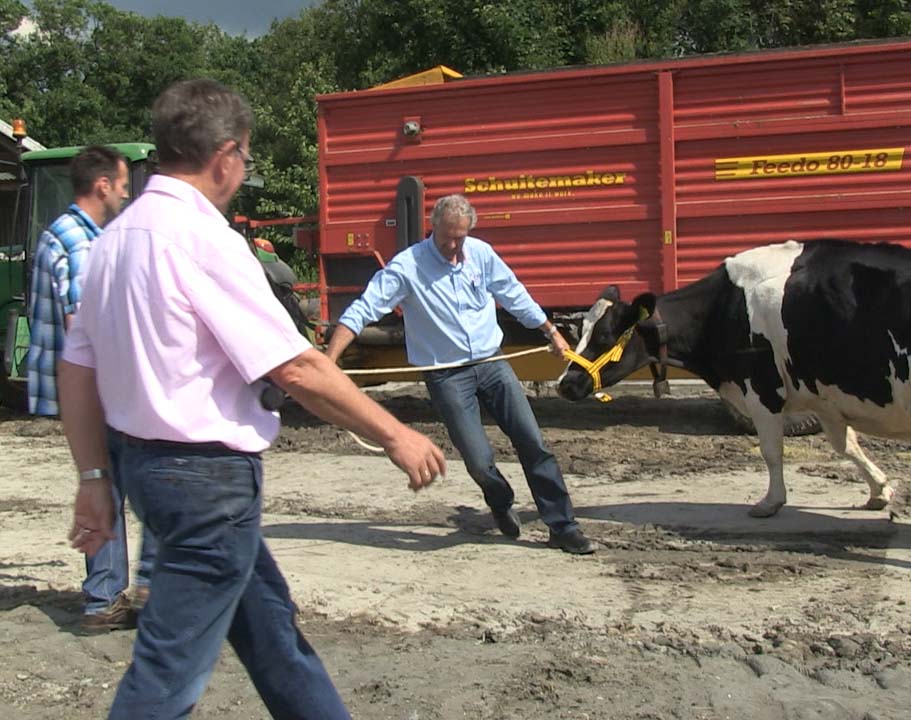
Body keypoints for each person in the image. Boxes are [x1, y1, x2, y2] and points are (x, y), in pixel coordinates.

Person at [60, 78, 446, 719]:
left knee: (273, 638)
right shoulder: (203, 240)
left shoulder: (112, 244)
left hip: (147, 470)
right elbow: (296, 367)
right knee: (165, 676)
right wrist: (395, 434)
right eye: (246, 158)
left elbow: (75, 371)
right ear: (227, 155)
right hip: (206, 481)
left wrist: (95, 476)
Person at [325, 193, 594, 555]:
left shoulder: (481, 254)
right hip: (447, 375)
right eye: (447, 237)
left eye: (460, 237)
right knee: (479, 461)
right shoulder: (407, 268)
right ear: (431, 228)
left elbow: (513, 294)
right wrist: (328, 360)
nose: (454, 246)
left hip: (491, 363)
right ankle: (500, 500)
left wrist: (551, 331)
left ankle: (563, 526)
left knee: (533, 442)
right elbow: (363, 309)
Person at [26, 145, 155, 631]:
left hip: (88, 388)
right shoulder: (81, 242)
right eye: (123, 185)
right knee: (143, 478)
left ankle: (107, 598)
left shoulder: (69, 233)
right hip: (100, 388)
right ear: (102, 185)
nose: (126, 194)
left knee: (105, 483)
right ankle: (137, 587)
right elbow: (85, 322)